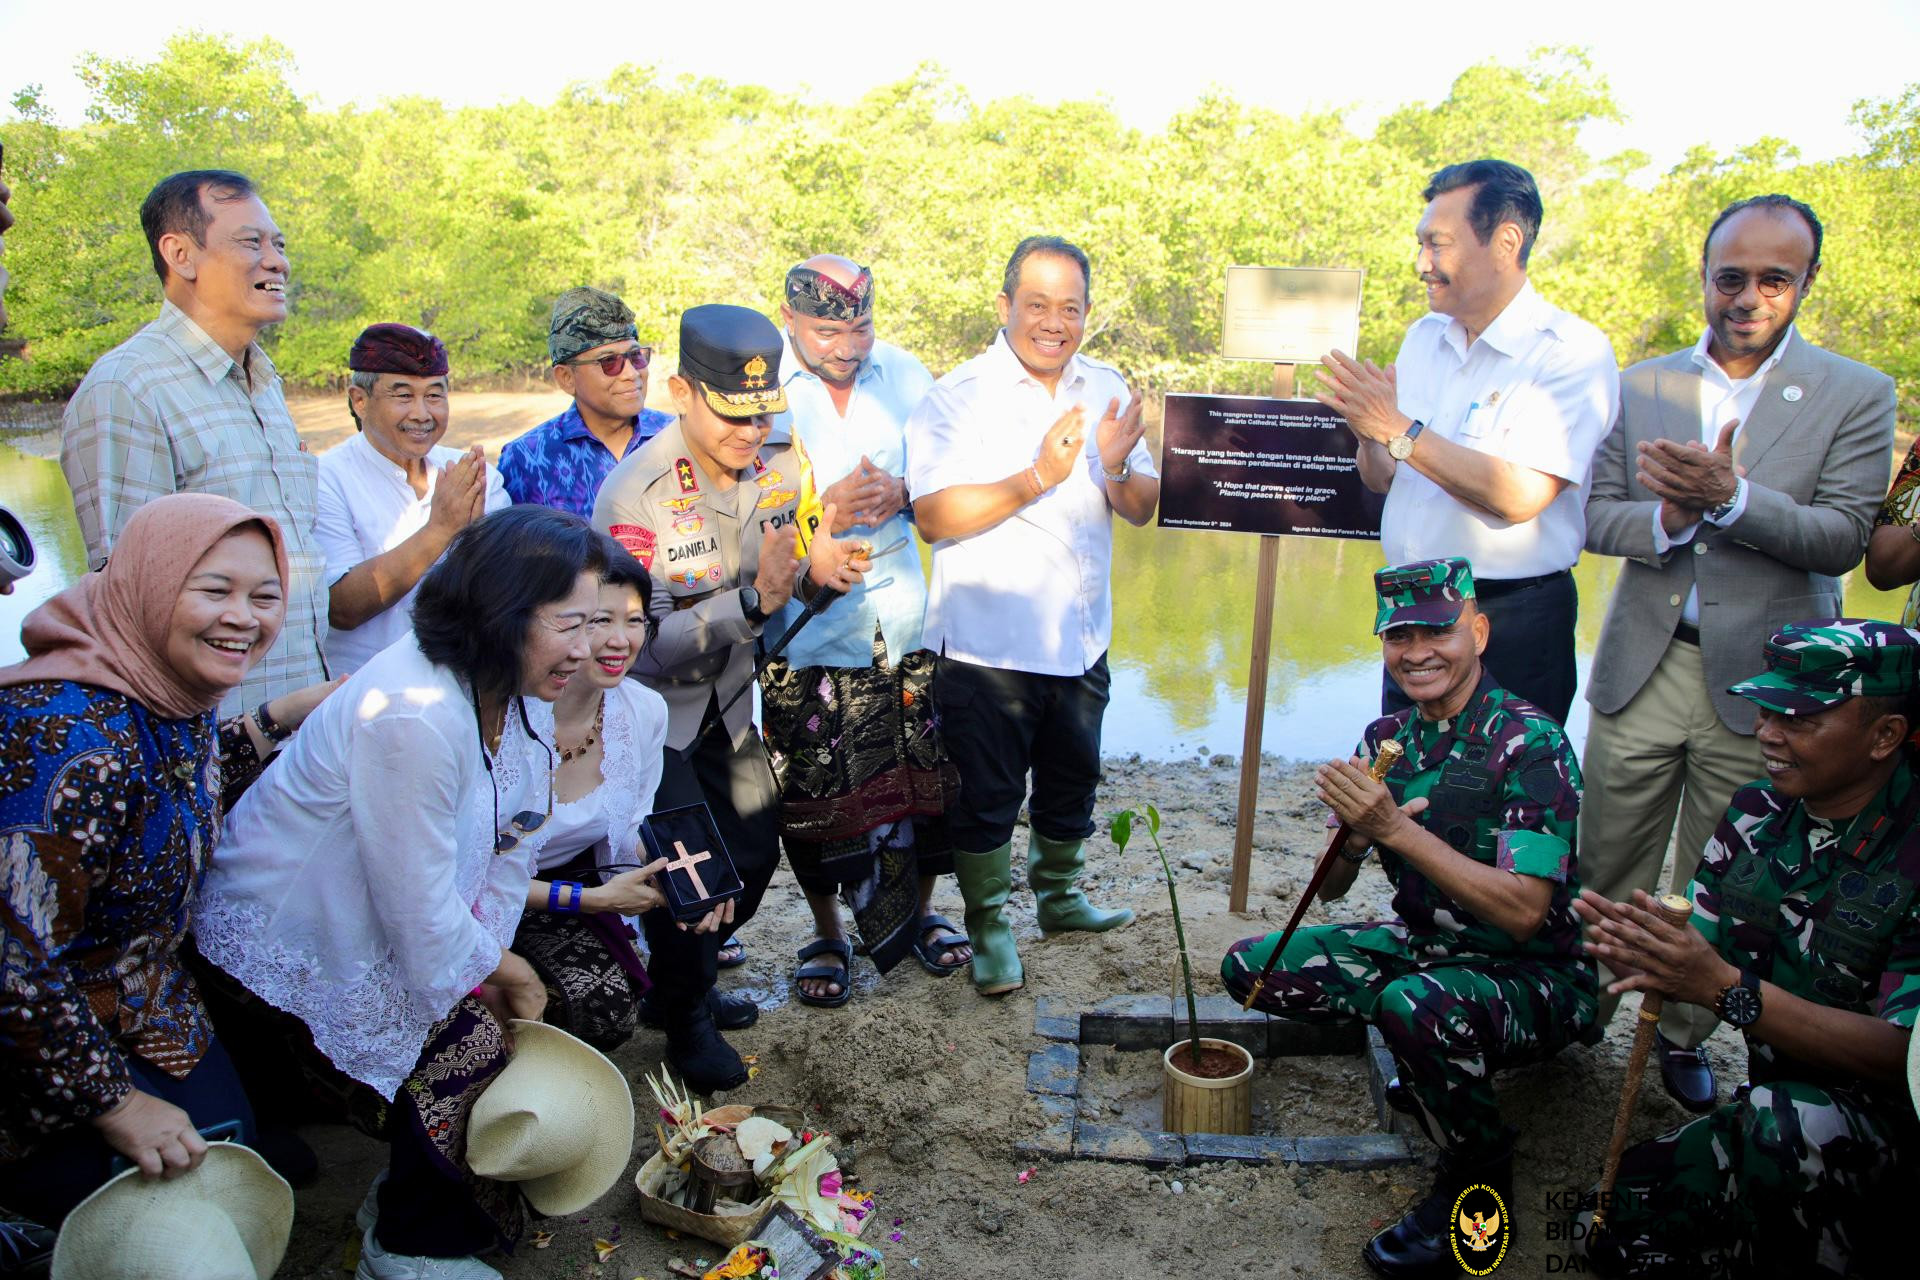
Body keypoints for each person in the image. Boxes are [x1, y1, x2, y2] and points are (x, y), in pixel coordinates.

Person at [193, 506, 611, 1280]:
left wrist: (491, 954)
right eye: (570, 624)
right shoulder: (416, 714)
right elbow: (418, 913)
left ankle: (413, 1181)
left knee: (556, 1001)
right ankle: (406, 1243)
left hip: (386, 918)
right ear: (502, 611)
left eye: (598, 623)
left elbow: (514, 840)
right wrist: (493, 972)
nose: (587, 650)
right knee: (469, 1047)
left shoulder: (514, 691)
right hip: (286, 940)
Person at [1581, 194, 1897, 1112]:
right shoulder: (1640, 384)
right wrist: (1670, 516)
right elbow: (1595, 514)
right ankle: (1580, 1019)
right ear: (1705, 278)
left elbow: (1843, 540)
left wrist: (1729, 497)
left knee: (1722, 873)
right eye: (1731, 277)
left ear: (1805, 284)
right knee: (1609, 855)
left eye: (1774, 279)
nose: (1748, 297)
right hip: (1644, 660)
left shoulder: (1857, 391)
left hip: (1771, 691)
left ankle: (1677, 1034)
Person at [1220, 558, 1593, 1280]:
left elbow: (1525, 913)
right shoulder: (1389, 736)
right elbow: (1329, 893)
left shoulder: (1530, 742)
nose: (1417, 651)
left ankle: (1479, 1174)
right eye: (1399, 636)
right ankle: (1432, 1065)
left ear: (1478, 632)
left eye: (1437, 631)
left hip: (1537, 974)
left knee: (1412, 1005)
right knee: (1255, 968)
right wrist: (1353, 839)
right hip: (1429, 947)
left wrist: (1393, 830)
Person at [0, 495, 335, 1254]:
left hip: (146, 999)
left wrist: (282, 714)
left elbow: (176, 782)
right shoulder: (68, 739)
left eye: (265, 596)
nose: (244, 618)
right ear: (148, 585)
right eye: (214, 591)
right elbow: (11, 962)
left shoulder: (158, 690)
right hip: (37, 1032)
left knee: (235, 1157)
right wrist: (117, 1104)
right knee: (153, 1230)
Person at [1573, 621, 1920, 1278]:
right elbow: (1699, 949)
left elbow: (1906, 1056)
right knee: (1609, 1220)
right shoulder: (1756, 810)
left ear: (1886, 736)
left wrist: (1722, 989)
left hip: (1884, 1130)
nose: (1767, 731)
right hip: (1780, 1110)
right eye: (1765, 708)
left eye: (1800, 718)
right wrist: (1647, 957)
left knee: (1780, 1127)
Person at [594, 303, 870, 1086]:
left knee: (750, 854)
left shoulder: (783, 461)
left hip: (733, 705)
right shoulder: (635, 495)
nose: (750, 433)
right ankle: (683, 1016)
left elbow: (794, 577)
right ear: (682, 390)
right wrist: (752, 603)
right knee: (693, 874)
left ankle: (687, 979)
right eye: (731, 415)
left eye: (762, 413)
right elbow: (633, 649)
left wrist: (819, 577)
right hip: (655, 719)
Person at [907, 234, 1158, 998]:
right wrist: (1040, 474)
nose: (1055, 321)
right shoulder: (958, 394)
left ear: (1087, 312)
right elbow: (934, 516)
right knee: (985, 796)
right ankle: (986, 924)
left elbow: (1143, 508)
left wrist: (1113, 464)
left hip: (1081, 639)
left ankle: (1060, 898)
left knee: (1071, 782)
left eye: (1071, 307)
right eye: (1038, 303)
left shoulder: (1106, 384)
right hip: (987, 647)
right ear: (1005, 305)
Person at [1316, 158, 1618, 725]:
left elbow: (1520, 496)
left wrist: (1397, 430)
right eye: (1421, 244)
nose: (1420, 264)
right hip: (1410, 607)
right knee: (1401, 782)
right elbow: (1384, 476)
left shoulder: (1569, 350)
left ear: (1505, 242)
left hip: (1511, 616)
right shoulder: (1424, 337)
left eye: (1438, 245)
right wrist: (1367, 434)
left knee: (1505, 797)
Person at [761, 254, 967, 1006]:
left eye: (861, 326)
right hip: (804, 630)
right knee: (814, 792)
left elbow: (952, 484)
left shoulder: (909, 376)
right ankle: (826, 930)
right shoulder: (761, 389)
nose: (849, 346)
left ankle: (918, 914)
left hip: (906, 623)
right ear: (790, 320)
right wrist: (821, 514)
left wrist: (906, 491)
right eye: (828, 330)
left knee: (922, 784)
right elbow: (739, 502)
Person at [59, 169, 329, 717]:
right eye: (251, 242)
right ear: (180, 254)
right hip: (211, 749)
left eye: (278, 244)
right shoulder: (129, 388)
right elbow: (133, 608)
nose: (277, 261)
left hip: (302, 738)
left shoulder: (264, 384)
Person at [511, 554, 712, 1051]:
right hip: (465, 898)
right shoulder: (507, 713)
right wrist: (590, 900)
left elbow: (631, 824)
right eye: (601, 620)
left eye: (635, 620)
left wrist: (685, 879)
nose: (621, 640)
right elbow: (468, 876)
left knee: (606, 1007)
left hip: (560, 884)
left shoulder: (642, 710)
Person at [317, 323, 508, 675]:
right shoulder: (326, 478)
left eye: (434, 396)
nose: (422, 413)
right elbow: (340, 608)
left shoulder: (474, 475)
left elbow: (502, 593)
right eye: (403, 396)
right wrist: (442, 530)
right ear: (360, 400)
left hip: (461, 687)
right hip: (365, 694)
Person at [498, 287, 672, 517]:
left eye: (635, 356)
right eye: (609, 362)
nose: (631, 373)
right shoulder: (527, 459)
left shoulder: (677, 437)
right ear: (566, 378)